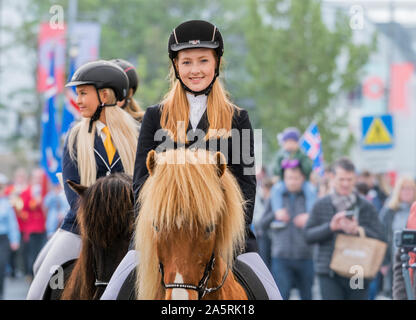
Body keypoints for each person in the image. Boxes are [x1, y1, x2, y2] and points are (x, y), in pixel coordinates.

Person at [132, 20, 257, 252]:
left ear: (216, 63)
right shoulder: (153, 117)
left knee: (268, 288)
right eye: (186, 62)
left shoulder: (238, 119)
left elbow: (246, 186)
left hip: (223, 237)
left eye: (203, 61)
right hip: (163, 236)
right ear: (176, 66)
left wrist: (229, 234)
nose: (195, 70)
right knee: (116, 287)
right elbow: (140, 183)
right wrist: (157, 227)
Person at [27, 60, 139, 299]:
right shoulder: (74, 137)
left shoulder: (138, 135)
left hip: (130, 230)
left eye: (82, 93)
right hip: (82, 227)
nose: (77, 100)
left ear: (105, 95)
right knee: (39, 279)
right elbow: (72, 192)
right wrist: (98, 221)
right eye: (77, 94)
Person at [304, 157, 385, 300]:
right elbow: (307, 235)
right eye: (342, 179)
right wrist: (331, 227)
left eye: (349, 179)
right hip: (328, 271)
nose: (346, 183)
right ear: (333, 178)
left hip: (358, 270)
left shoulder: (366, 206)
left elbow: (381, 237)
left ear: (355, 179)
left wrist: (358, 231)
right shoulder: (321, 204)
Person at [261, 164, 316, 299]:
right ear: (284, 179)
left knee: (307, 295)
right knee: (281, 295)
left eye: (296, 178)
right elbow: (261, 225)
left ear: (303, 178)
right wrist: (275, 214)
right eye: (289, 178)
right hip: (281, 257)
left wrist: (309, 219)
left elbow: (320, 224)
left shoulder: (310, 198)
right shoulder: (275, 198)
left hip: (306, 256)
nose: (292, 181)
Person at [379, 176, 416, 298]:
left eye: (410, 188)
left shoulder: (413, 211)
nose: (407, 191)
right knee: (395, 290)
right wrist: (383, 262)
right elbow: (381, 237)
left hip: (409, 259)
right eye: (403, 188)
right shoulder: (389, 211)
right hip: (396, 257)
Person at [271, 127, 315, 215]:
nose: (290, 145)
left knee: (311, 190)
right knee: (276, 189)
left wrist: (299, 164)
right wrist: (282, 166)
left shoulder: (302, 154)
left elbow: (308, 168)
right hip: (285, 182)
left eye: (292, 142)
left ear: (297, 143)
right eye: (288, 142)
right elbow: (275, 169)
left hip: (302, 182)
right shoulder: (281, 155)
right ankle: (278, 212)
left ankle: (310, 214)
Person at [20, 168, 48, 279]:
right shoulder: (27, 191)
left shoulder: (45, 191)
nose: (38, 180)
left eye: (40, 178)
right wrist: (34, 203)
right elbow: (23, 208)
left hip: (43, 226)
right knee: (32, 252)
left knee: (42, 251)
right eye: (36, 177)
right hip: (31, 227)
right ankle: (31, 274)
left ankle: (41, 273)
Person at [0, 173, 20, 299]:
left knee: (1, 265)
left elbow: (13, 223)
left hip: (3, 239)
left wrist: (15, 240)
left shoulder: (6, 204)